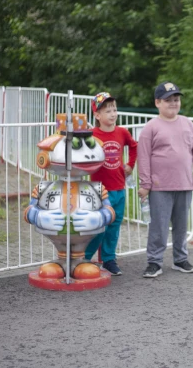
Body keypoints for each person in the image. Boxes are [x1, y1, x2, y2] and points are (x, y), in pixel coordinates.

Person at [137, 81, 193, 278]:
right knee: (158, 225)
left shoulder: (188, 124)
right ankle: (154, 261)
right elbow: (143, 157)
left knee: (181, 224)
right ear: (157, 102)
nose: (173, 103)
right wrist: (145, 184)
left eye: (176, 100)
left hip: (184, 183)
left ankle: (180, 258)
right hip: (159, 186)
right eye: (168, 100)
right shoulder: (151, 127)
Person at [84, 92, 138, 276]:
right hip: (99, 190)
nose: (113, 113)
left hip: (119, 188)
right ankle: (84, 258)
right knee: (98, 226)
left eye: (114, 109)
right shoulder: (91, 135)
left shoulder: (122, 132)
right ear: (97, 115)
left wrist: (130, 164)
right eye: (108, 111)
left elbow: (134, 146)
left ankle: (108, 259)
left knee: (114, 226)